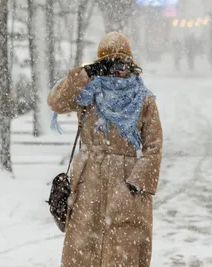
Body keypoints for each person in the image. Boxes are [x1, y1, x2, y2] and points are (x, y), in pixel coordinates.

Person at [47, 32, 163, 267]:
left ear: (130, 63)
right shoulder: (89, 93)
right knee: (83, 248)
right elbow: (56, 102)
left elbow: (154, 147)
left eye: (121, 61)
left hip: (125, 183)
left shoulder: (144, 99)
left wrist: (134, 185)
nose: (116, 69)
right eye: (109, 62)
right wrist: (86, 74)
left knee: (122, 249)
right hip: (86, 181)